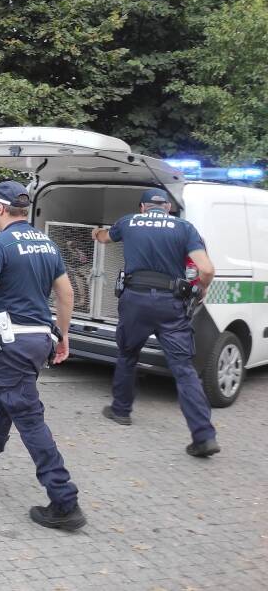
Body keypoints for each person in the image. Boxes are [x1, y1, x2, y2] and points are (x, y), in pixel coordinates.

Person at [0, 180, 86, 532]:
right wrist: (62, 335)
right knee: (3, 400)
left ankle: (64, 500)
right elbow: (67, 295)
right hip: (38, 340)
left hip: (11, 344)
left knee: (28, 416)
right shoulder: (47, 243)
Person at [92, 188, 219, 457]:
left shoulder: (128, 222)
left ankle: (121, 411)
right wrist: (203, 290)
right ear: (168, 208)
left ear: (142, 207)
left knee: (127, 354)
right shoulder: (185, 227)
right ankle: (204, 436)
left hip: (135, 301)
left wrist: (97, 233)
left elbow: (104, 238)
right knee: (183, 369)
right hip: (171, 303)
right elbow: (206, 269)